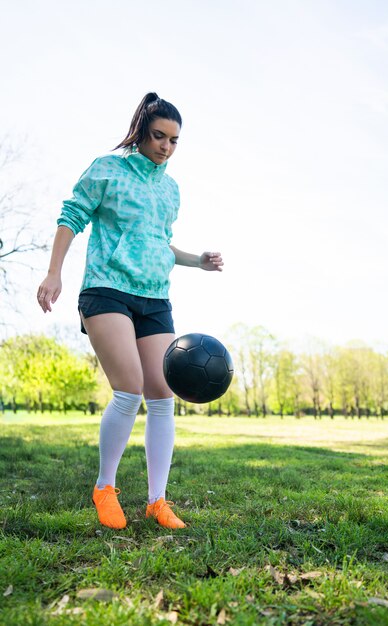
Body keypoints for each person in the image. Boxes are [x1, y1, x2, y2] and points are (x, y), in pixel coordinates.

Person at [37, 92, 223, 530]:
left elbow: (158, 242)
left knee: (162, 397)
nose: (166, 147)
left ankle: (157, 501)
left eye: (175, 141)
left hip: (155, 297)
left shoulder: (170, 189)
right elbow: (71, 216)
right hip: (106, 290)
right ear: (141, 131)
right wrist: (53, 274)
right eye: (159, 136)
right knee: (129, 390)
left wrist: (197, 260)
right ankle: (105, 487)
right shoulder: (108, 169)